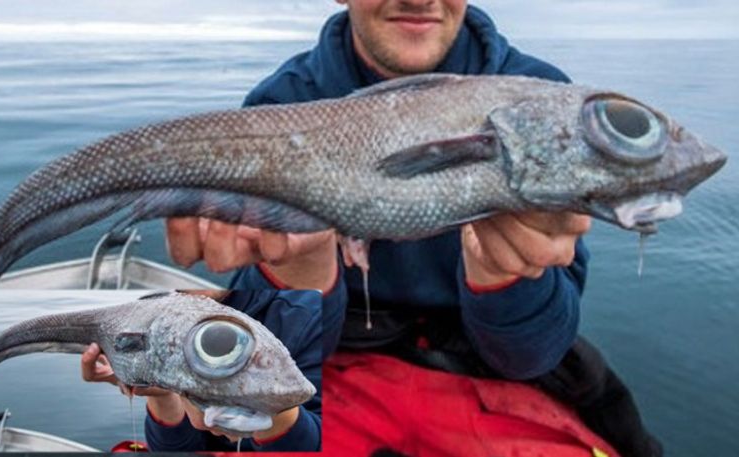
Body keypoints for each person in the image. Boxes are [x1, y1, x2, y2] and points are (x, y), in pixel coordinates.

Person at [163, 1, 660, 456]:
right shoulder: (282, 104)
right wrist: (299, 272)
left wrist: (507, 278)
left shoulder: (543, 100)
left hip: (494, 379)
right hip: (335, 371)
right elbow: (279, 351)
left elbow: (533, 354)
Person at [81, 290, 324, 452]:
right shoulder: (157, 317)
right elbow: (174, 450)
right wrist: (163, 393)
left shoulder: (312, 314)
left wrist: (271, 409)